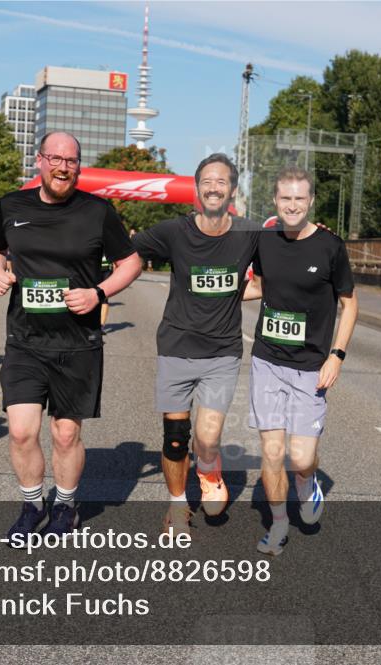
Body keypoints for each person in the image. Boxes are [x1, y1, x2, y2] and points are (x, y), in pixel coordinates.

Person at [0, 131, 142, 541]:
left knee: (66, 433)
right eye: (55, 158)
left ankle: (66, 507)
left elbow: (131, 262)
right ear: (39, 161)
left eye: (70, 160)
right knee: (21, 430)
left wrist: (99, 292)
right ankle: (32, 504)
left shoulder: (98, 211)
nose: (62, 166)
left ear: (79, 166)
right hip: (25, 337)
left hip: (77, 342)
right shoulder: (11, 205)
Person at [131, 153, 260, 534]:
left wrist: (316, 237)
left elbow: (280, 268)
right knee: (174, 440)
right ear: (197, 187)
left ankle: (207, 469)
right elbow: (127, 251)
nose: (214, 187)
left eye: (222, 182)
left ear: (232, 190)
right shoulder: (173, 231)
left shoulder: (250, 233)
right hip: (175, 347)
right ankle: (177, 506)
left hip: (221, 352)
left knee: (207, 437)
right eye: (207, 181)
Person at [242, 167, 357, 555]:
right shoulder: (264, 240)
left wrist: (336, 356)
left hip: (311, 367)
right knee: (272, 453)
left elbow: (350, 303)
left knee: (301, 457)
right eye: (285, 198)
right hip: (267, 361)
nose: (292, 205)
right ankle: (278, 526)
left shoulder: (330, 245)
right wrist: (217, 293)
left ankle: (307, 483)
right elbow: (259, 284)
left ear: (310, 202)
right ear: (275, 201)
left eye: (299, 199)